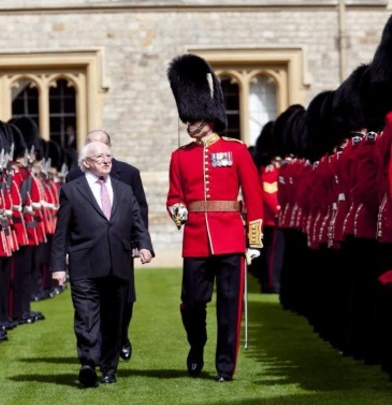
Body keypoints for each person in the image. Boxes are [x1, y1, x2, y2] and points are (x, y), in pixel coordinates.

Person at [165, 54, 264, 382]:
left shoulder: (236, 151)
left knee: (228, 308)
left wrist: (253, 241)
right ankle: (197, 345)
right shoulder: (179, 157)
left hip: (231, 238)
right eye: (187, 117)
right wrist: (178, 211)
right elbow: (174, 197)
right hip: (195, 239)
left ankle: (225, 367)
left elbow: (253, 197)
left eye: (193, 117)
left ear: (207, 117)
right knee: (192, 303)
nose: (189, 124)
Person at [51, 140, 153, 387]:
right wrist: (58, 266)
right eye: (100, 157)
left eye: (109, 155)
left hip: (117, 262)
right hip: (84, 263)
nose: (107, 160)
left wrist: (145, 245)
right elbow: (61, 232)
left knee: (113, 319)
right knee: (86, 317)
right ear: (87, 163)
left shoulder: (124, 189)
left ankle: (109, 368)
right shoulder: (72, 190)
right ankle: (88, 363)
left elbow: (136, 221)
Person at [65, 129, 149, 362]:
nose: (101, 155)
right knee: (90, 304)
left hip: (120, 247)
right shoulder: (74, 177)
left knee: (124, 299)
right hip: (88, 251)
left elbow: (139, 210)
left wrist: (138, 242)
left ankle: (121, 336)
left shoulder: (128, 173)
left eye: (104, 149)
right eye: (92, 146)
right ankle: (97, 351)